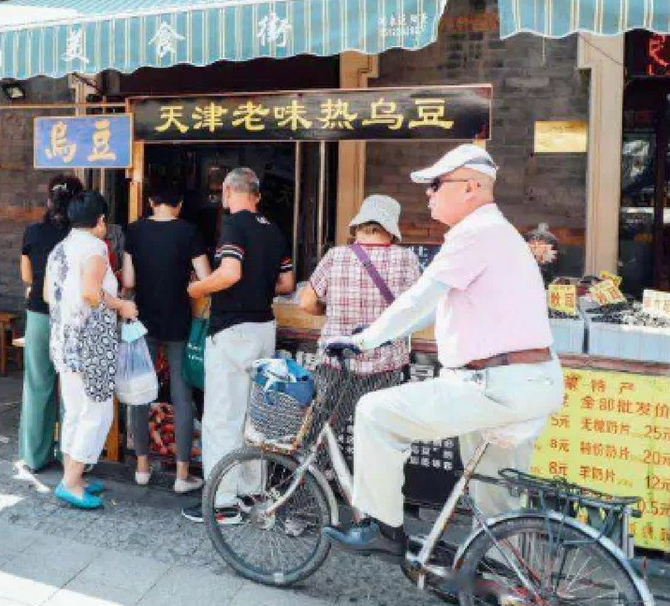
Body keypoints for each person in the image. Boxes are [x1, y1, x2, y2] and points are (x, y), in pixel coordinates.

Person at [322, 145, 564, 557]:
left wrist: (362, 340)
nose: (428, 194)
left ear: (471, 187)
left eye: (436, 185)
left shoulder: (475, 233)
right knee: (496, 498)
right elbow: (429, 306)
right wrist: (378, 332)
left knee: (375, 414)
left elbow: (419, 300)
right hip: (522, 382)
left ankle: (382, 528)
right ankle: (508, 581)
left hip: (492, 384)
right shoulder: (497, 233)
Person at [183, 168, 295, 524]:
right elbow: (286, 281)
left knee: (222, 417)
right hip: (265, 328)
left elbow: (229, 273)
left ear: (230, 192)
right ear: (257, 194)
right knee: (253, 416)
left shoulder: (235, 225)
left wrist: (197, 289)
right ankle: (251, 492)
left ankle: (223, 503)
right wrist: (257, 286)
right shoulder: (274, 230)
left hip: (233, 330)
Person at [299, 195, 422, 433]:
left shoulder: (336, 256)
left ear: (360, 225)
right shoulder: (406, 259)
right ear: (390, 228)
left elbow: (306, 302)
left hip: (337, 361)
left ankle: (318, 469)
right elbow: (415, 312)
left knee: (322, 433)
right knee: (378, 434)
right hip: (385, 366)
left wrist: (329, 308)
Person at [46, 191, 137, 509]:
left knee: (74, 410)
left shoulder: (60, 248)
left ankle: (72, 475)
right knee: (96, 412)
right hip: (91, 343)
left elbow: (49, 294)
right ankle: (71, 482)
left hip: (64, 340)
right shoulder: (95, 249)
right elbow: (90, 293)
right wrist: (121, 305)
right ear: (100, 222)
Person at [122, 180, 211, 493]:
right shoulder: (188, 232)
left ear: (150, 202)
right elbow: (206, 280)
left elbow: (130, 278)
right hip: (178, 322)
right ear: (180, 206)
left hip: (143, 320)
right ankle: (182, 476)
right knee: (181, 396)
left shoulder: (134, 231)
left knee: (140, 393)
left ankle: (142, 468)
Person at [17, 173, 84, 472]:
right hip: (74, 319)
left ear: (48, 200)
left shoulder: (32, 232)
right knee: (72, 390)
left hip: (39, 314)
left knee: (38, 385)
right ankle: (71, 457)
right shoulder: (83, 237)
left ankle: (34, 455)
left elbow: (27, 278)